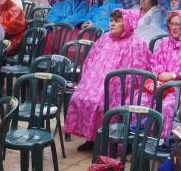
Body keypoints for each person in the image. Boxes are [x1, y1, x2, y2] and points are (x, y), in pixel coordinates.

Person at [64, 9, 151, 151]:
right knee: (81, 97)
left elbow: (138, 72)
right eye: (111, 21)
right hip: (96, 82)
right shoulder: (105, 38)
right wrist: (87, 81)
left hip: (121, 87)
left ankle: (110, 142)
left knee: (102, 103)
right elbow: (90, 60)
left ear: (127, 23)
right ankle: (91, 137)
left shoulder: (136, 43)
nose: (112, 24)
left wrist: (118, 86)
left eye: (117, 21)